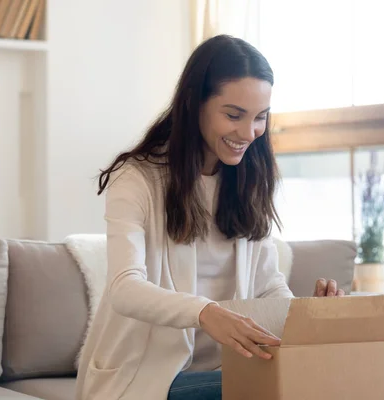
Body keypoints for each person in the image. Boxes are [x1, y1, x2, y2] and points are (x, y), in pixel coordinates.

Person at [74, 34, 345, 400]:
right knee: (281, 389)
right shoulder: (137, 178)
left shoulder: (248, 180)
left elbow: (267, 288)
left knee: (329, 376)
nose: (248, 133)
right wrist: (206, 313)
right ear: (193, 104)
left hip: (226, 366)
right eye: (233, 115)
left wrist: (307, 315)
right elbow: (125, 288)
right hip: (145, 377)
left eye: (260, 118)